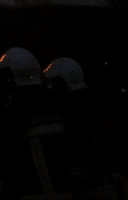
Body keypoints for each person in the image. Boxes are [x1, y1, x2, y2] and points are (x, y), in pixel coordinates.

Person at [0, 47, 72, 200]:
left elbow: (1, 166)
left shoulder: (14, 111)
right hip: (64, 193)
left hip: (28, 194)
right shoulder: (57, 105)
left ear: (9, 78)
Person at [44, 57, 118, 200]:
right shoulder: (96, 99)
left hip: (85, 173)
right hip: (105, 171)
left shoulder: (66, 106)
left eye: (54, 81)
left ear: (64, 81)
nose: (51, 86)